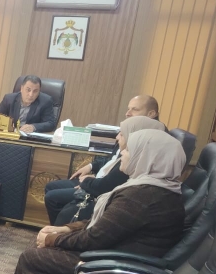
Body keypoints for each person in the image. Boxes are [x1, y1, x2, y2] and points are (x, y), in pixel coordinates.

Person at [0, 129, 186, 274]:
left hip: (115, 270)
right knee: (43, 253)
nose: (122, 153)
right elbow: (104, 224)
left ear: (147, 158)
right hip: (114, 259)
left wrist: (53, 239)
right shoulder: (153, 188)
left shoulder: (142, 197)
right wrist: (65, 229)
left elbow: (94, 238)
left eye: (129, 150)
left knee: (32, 258)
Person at [43, 94, 162, 224]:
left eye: (135, 109)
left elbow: (116, 179)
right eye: (128, 109)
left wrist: (88, 182)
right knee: (51, 187)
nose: (128, 113)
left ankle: (62, 230)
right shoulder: (130, 129)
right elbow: (112, 159)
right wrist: (91, 166)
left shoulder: (147, 140)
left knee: (53, 198)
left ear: (151, 114)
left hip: (104, 190)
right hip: (99, 179)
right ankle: (62, 228)